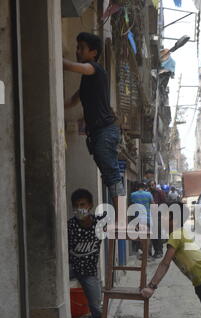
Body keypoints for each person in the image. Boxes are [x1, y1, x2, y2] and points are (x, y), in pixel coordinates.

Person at [63, 33, 125, 221]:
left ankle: (121, 217)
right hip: (100, 133)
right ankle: (120, 217)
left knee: (112, 174)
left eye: (82, 47)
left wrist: (55, 58)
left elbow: (72, 66)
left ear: (93, 52)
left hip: (105, 131)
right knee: (109, 175)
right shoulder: (88, 79)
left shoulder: (94, 69)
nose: (78, 51)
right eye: (78, 47)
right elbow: (75, 99)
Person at [68, 189, 120, 318]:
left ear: (90, 205)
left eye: (82, 205)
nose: (79, 209)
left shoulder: (99, 223)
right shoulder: (70, 227)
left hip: (89, 273)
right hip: (70, 270)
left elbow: (117, 220)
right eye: (76, 206)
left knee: (97, 310)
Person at [130, 182, 154, 258]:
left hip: (138, 219)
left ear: (137, 188)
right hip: (148, 218)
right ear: (144, 188)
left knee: (141, 236)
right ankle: (147, 254)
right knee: (147, 236)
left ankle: (144, 253)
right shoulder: (148, 194)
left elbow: (132, 206)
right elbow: (153, 204)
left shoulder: (133, 195)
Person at [148, 180, 167, 259]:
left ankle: (160, 251)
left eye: (153, 185)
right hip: (151, 215)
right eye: (150, 185)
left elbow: (164, 203)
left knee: (158, 234)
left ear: (155, 185)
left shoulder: (160, 192)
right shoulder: (148, 193)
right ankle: (156, 251)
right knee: (153, 235)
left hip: (159, 215)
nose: (151, 187)